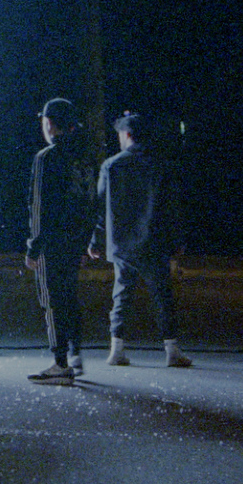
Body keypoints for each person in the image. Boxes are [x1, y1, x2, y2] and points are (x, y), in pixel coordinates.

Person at [89, 111, 193, 369]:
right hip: (153, 241)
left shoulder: (111, 165)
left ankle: (117, 349)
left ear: (126, 135)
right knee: (162, 296)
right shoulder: (161, 165)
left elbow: (100, 208)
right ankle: (172, 350)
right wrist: (177, 239)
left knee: (121, 295)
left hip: (121, 244)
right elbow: (172, 208)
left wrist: (94, 241)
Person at [24, 97, 99, 385]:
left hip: (52, 242)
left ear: (50, 125)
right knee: (70, 297)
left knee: (51, 300)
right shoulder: (85, 159)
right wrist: (85, 242)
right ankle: (74, 354)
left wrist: (34, 246)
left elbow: (40, 207)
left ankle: (59, 363)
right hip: (75, 241)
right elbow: (90, 203)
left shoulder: (47, 157)